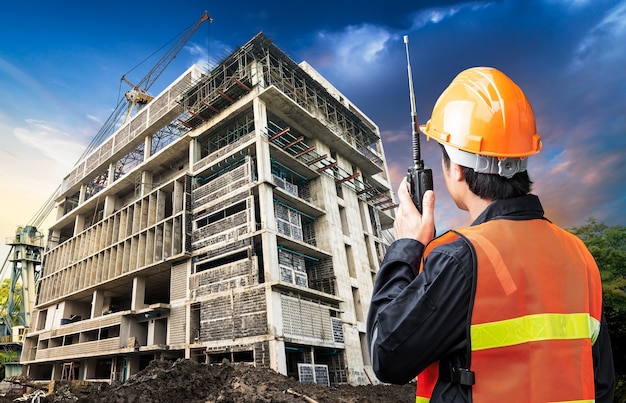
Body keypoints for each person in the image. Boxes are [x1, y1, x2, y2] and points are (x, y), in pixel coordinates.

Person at [366, 67, 615, 402]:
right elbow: (601, 384)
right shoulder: (579, 256)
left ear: (454, 168)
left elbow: (387, 355)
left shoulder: (461, 259)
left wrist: (406, 247)